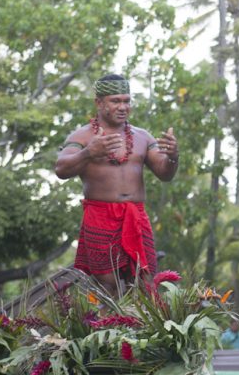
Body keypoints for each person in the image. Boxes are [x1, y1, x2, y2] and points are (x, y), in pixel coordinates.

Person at [55, 74, 179, 296]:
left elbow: (164, 173)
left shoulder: (142, 137)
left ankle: (141, 329)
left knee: (145, 282)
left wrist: (172, 157)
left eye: (127, 101)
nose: (123, 107)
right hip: (100, 214)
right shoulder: (82, 136)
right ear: (99, 102)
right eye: (115, 101)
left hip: (136, 215)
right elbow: (61, 169)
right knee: (106, 284)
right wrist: (88, 153)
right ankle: (108, 328)